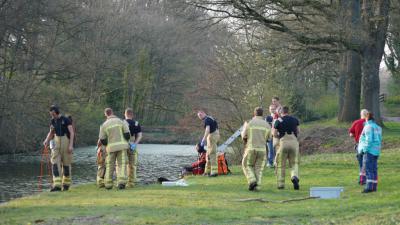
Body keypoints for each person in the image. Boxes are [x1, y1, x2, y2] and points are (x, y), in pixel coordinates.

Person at [43, 105, 75, 192]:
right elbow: (51, 132)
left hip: (66, 140)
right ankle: (57, 185)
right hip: (56, 141)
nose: (52, 116)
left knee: (66, 164)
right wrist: (46, 140)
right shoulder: (52, 121)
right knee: (54, 162)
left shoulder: (66, 120)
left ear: (57, 112)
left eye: (53, 114)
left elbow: (72, 133)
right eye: (51, 114)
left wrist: (71, 145)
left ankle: (66, 184)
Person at [98, 108, 130, 190]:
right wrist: (125, 141)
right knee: (121, 164)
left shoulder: (104, 125)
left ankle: (108, 184)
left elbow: (102, 139)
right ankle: (121, 183)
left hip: (110, 148)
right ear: (112, 112)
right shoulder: (121, 121)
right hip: (122, 147)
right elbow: (127, 134)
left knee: (109, 165)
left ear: (106, 114)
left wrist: (107, 144)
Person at [241, 107, 271, 191]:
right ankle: (257, 187)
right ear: (262, 114)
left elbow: (244, 136)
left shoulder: (249, 123)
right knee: (259, 168)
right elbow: (269, 139)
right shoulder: (267, 125)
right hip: (262, 150)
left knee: (246, 165)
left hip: (251, 149)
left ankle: (252, 180)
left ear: (254, 113)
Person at [273, 106, 300, 190]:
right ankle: (294, 176)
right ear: (288, 111)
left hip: (283, 143)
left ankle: (281, 184)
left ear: (281, 112)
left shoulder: (278, 121)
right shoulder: (295, 119)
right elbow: (298, 131)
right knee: (294, 163)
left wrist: (278, 136)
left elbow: (274, 133)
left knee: (281, 164)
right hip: (294, 143)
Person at [358, 112, 382, 193]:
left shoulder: (368, 127)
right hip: (376, 151)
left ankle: (369, 187)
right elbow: (379, 139)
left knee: (368, 170)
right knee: (374, 169)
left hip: (369, 151)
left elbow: (369, 140)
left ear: (367, 118)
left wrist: (364, 150)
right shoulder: (378, 127)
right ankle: (374, 187)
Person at [197, 110, 220, 177]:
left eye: (200, 115)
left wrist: (203, 140)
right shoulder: (210, 118)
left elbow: (207, 130)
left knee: (212, 154)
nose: (200, 117)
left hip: (212, 136)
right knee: (208, 154)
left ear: (204, 113)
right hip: (214, 135)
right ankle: (207, 172)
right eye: (199, 116)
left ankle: (214, 172)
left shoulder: (207, 120)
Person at [124, 108, 143, 188]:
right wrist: (135, 144)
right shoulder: (136, 123)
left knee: (121, 164)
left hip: (123, 145)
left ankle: (121, 181)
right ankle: (131, 182)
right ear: (132, 115)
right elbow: (139, 136)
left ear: (125, 114)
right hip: (132, 144)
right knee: (132, 165)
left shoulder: (122, 123)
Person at [349, 109, 368, 185]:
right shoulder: (370, 123)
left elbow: (351, 134)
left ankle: (362, 179)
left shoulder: (356, 122)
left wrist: (356, 135)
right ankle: (368, 179)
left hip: (359, 145)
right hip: (369, 145)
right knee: (368, 162)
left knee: (361, 163)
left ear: (361, 115)